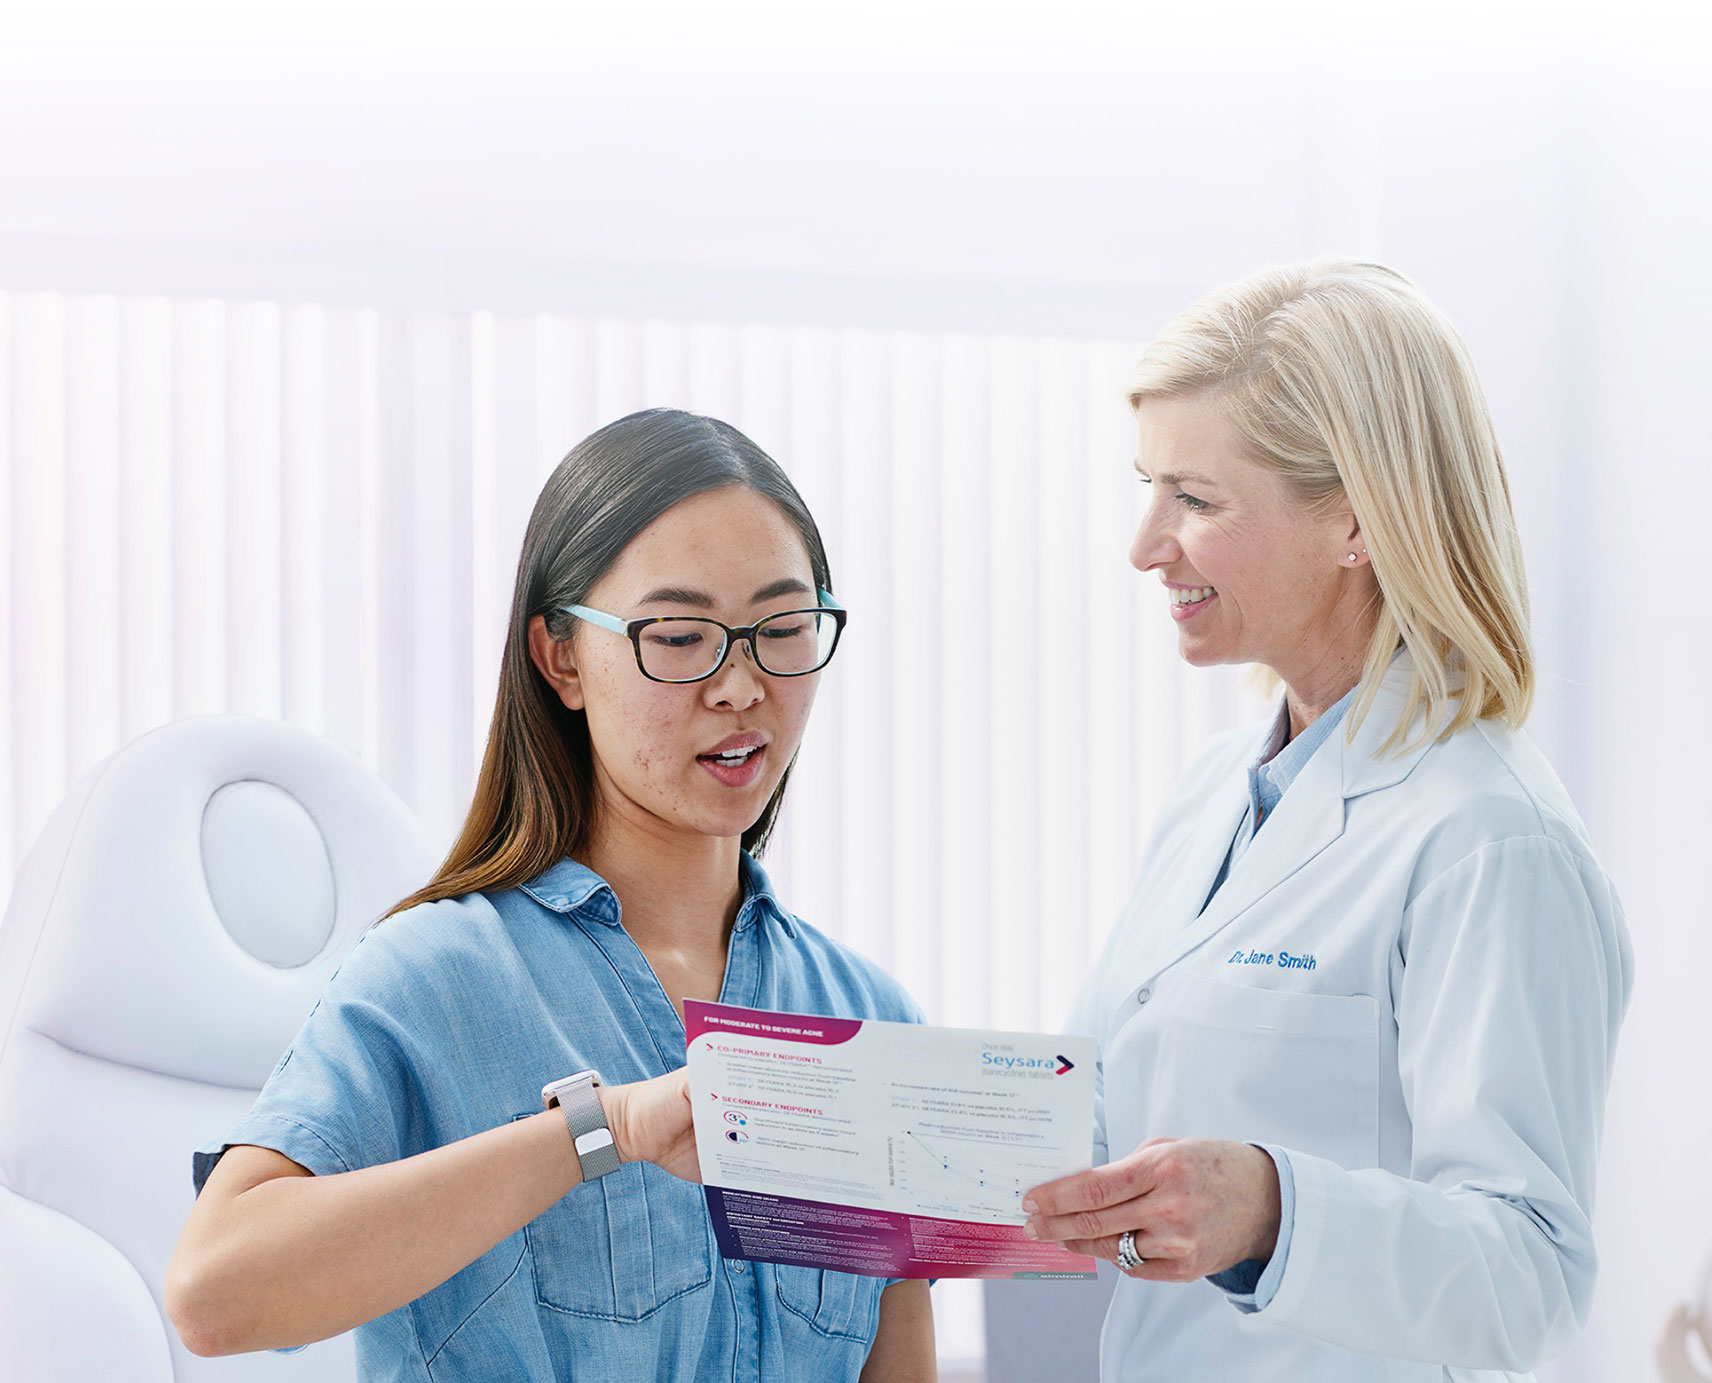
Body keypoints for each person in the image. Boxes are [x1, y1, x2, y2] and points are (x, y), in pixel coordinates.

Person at [165, 409, 936, 1382]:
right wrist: (600, 1133)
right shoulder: (438, 977)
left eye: (781, 629)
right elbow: (214, 1295)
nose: (741, 686)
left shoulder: (868, 1019)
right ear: (561, 658)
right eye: (680, 635)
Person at [1022, 260, 1633, 1381]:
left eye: (1195, 500)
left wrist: (1272, 1213)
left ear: (1354, 521)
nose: (1145, 544)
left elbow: (1533, 1282)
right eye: (1151, 487)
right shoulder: (1214, 795)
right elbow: (1097, 1122)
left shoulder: (1490, 840)